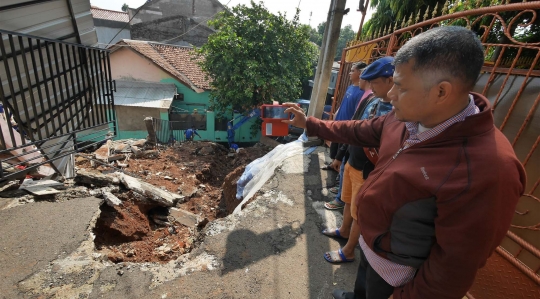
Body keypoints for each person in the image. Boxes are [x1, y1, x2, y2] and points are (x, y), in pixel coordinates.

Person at [283, 26, 526, 299]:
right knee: (363, 287)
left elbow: (453, 269)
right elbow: (358, 130)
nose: (389, 95)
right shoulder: (407, 119)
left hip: (398, 278)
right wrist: (310, 124)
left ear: (441, 92)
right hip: (373, 249)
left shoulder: (489, 169)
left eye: (400, 86)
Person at [322, 57, 395, 264]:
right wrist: (340, 155)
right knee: (347, 201)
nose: (370, 86)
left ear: (390, 81)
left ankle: (349, 250)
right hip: (353, 162)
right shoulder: (372, 100)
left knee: (358, 214)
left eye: (375, 82)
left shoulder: (397, 113)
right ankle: (344, 231)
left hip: (367, 170)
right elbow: (353, 128)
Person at [325, 62, 367, 211]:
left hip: (347, 130)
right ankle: (339, 185)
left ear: (360, 73)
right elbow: (343, 104)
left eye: (352, 71)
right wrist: (335, 115)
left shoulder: (363, 93)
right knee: (336, 154)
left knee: (342, 159)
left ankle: (340, 189)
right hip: (339, 125)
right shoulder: (351, 88)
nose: (349, 73)